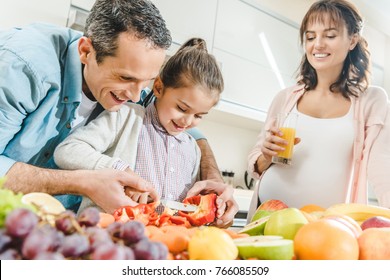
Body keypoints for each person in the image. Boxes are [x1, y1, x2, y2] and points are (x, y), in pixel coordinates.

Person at [0, 0, 237, 226]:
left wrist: (213, 180)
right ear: (86, 52)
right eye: (126, 78)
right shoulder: (22, 65)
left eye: (146, 83)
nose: (136, 97)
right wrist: (84, 182)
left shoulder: (131, 90)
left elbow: (184, 126)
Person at [247, 0, 390, 221]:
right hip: (267, 218)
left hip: (325, 229)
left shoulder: (371, 101)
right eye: (311, 37)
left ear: (352, 40)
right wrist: (265, 156)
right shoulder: (285, 98)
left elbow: (383, 170)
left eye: (330, 36)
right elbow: (255, 164)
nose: (318, 45)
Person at [54, 37, 228, 217]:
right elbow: (67, 151)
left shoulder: (193, 148)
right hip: (107, 234)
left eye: (199, 115)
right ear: (159, 88)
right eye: (182, 108)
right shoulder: (125, 117)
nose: (187, 121)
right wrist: (118, 168)